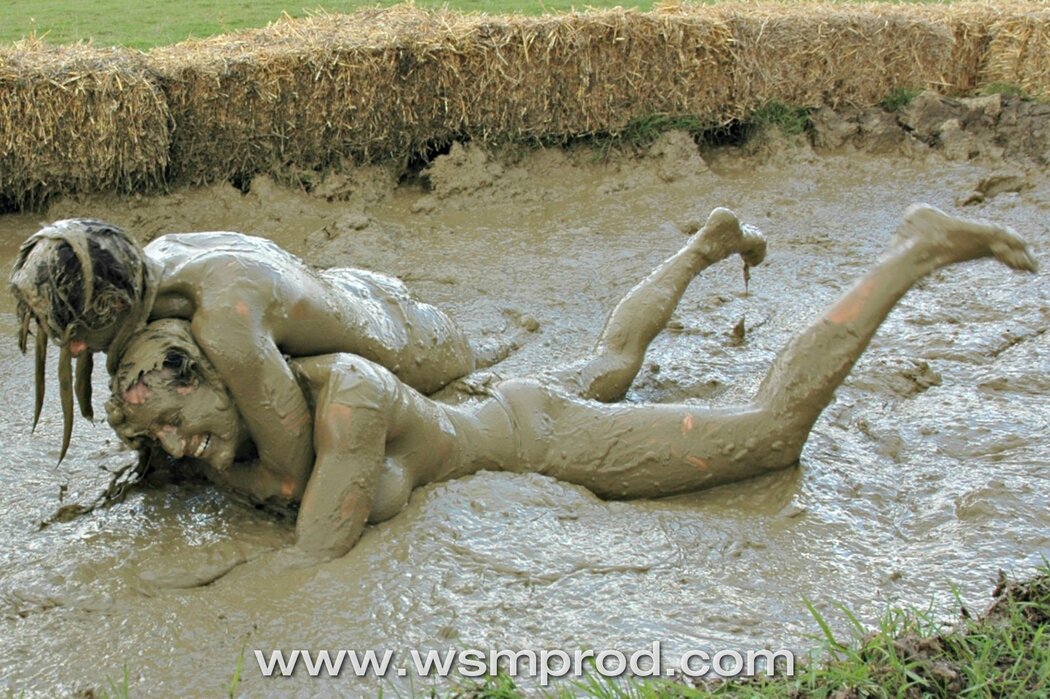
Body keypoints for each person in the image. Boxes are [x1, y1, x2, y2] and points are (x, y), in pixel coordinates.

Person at [104, 205, 1036, 562]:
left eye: (175, 420)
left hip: (534, 439)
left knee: (768, 431)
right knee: (607, 362)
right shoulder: (244, 415)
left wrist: (224, 490)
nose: (177, 445)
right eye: (160, 437)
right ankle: (707, 243)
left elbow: (312, 559)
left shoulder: (346, 398)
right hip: (498, 411)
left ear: (223, 370)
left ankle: (913, 248)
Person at [9, 221, 493, 499]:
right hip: (367, 292)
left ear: (115, 304)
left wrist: (204, 469)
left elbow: (290, 478)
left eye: (75, 337)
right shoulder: (155, 257)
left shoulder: (225, 320)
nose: (75, 351)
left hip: (423, 351)